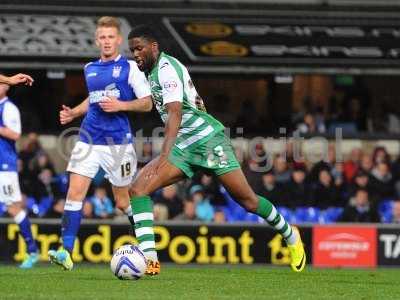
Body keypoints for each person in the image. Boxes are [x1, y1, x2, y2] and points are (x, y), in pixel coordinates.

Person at [123, 24, 306, 275]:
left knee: (248, 201)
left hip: (208, 141)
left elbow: (175, 113)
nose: (135, 54)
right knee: (138, 189)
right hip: (184, 146)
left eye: (139, 48)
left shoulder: (166, 69)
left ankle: (290, 235)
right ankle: (150, 261)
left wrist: (165, 154)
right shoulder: (150, 72)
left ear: (154, 47)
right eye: (132, 50)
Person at [48, 16, 153, 271]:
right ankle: (66, 251)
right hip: (88, 139)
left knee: (122, 202)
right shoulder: (89, 68)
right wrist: (73, 113)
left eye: (110, 37)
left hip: (118, 144)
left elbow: (148, 102)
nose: (106, 41)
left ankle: (148, 251)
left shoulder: (130, 68)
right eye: (102, 37)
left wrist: (122, 105)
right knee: (74, 193)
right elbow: (93, 100)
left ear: (118, 40)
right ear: (97, 41)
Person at [0, 79, 39, 268]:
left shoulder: (9, 108)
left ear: (6, 87)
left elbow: (15, 134)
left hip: (4, 166)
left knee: (13, 207)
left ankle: (32, 251)